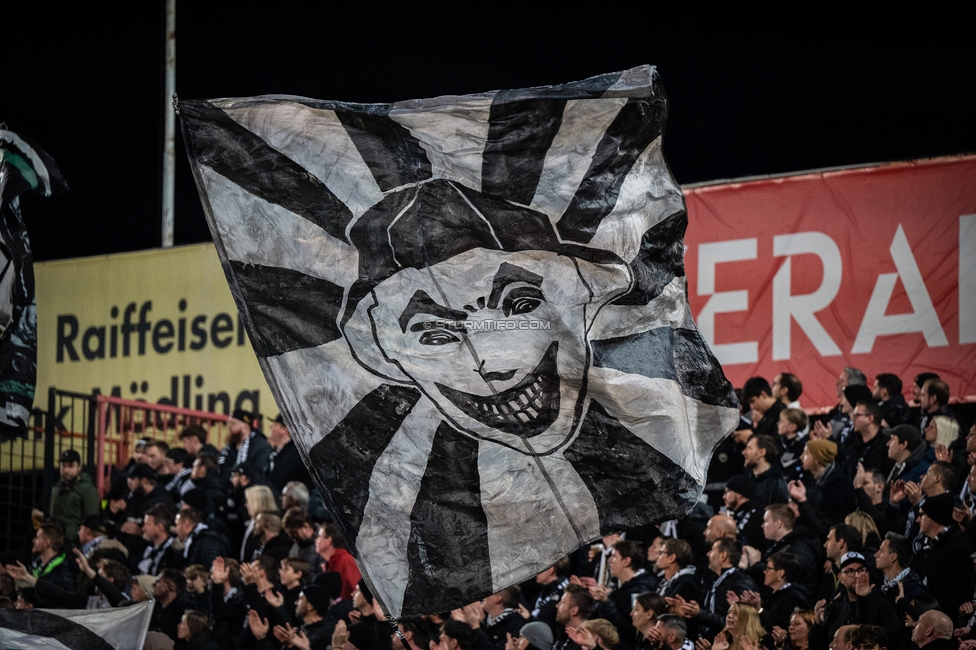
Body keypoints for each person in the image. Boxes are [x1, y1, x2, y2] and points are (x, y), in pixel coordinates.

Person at [44, 448, 100, 544]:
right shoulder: (56, 488)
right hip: (55, 540)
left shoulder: (87, 489)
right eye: (63, 466)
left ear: (79, 467)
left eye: (70, 466)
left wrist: (75, 537)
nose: (66, 470)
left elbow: (91, 521)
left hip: (73, 542)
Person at [266, 414, 313, 494]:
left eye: (275, 425)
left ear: (284, 429)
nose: (271, 427)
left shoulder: (295, 454)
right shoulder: (275, 452)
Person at [316, 522, 361, 600]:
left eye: (319, 537)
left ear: (328, 540)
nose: (316, 540)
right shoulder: (330, 564)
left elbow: (356, 588)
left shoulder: (346, 560)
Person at [741, 435, 789, 505]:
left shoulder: (777, 483)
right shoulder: (747, 480)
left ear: (762, 452)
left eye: (749, 448)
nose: (744, 452)